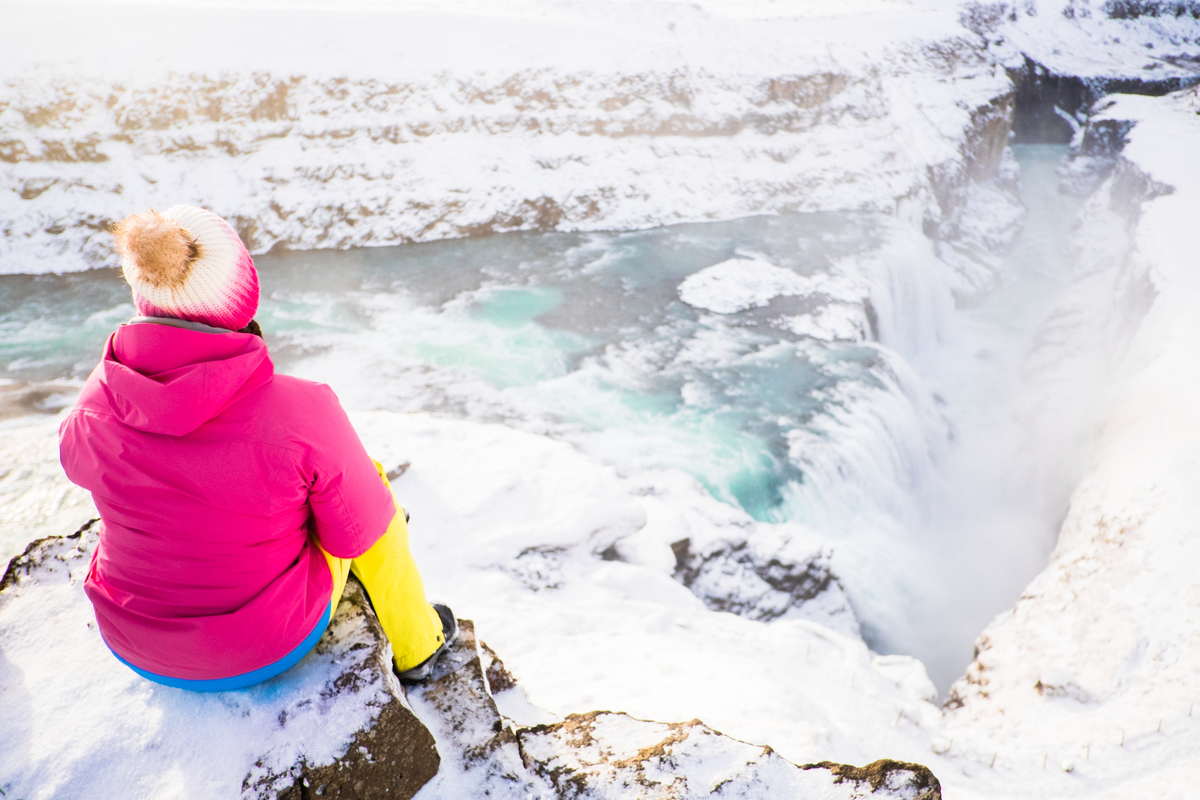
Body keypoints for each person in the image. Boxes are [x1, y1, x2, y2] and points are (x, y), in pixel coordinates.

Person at [59, 205, 456, 691]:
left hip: (133, 641)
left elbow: (87, 464)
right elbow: (354, 537)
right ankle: (418, 646)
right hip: (260, 647)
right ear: (241, 300)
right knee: (371, 497)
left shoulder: (95, 399)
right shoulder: (300, 409)